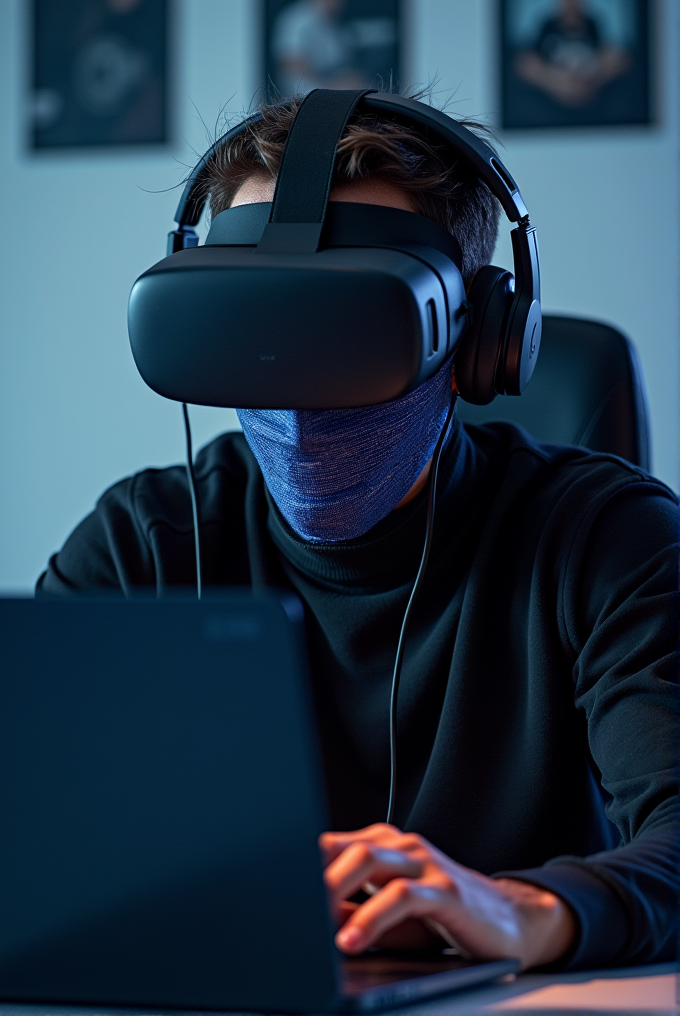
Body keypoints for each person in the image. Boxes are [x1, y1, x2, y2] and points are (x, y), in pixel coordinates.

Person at [37, 94, 678, 972]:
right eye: (264, 319)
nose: (299, 393)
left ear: (478, 338)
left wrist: (521, 910)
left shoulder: (606, 540)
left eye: (354, 325)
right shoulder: (141, 544)